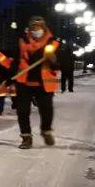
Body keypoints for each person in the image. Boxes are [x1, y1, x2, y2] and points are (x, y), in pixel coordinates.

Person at [11, 16, 61, 149]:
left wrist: (53, 60)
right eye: (33, 28)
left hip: (44, 83)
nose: (35, 30)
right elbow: (15, 60)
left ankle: (46, 131)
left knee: (46, 110)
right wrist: (10, 76)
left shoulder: (53, 43)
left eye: (38, 28)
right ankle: (26, 137)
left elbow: (61, 64)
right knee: (22, 111)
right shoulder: (22, 41)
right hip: (24, 82)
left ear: (44, 28)